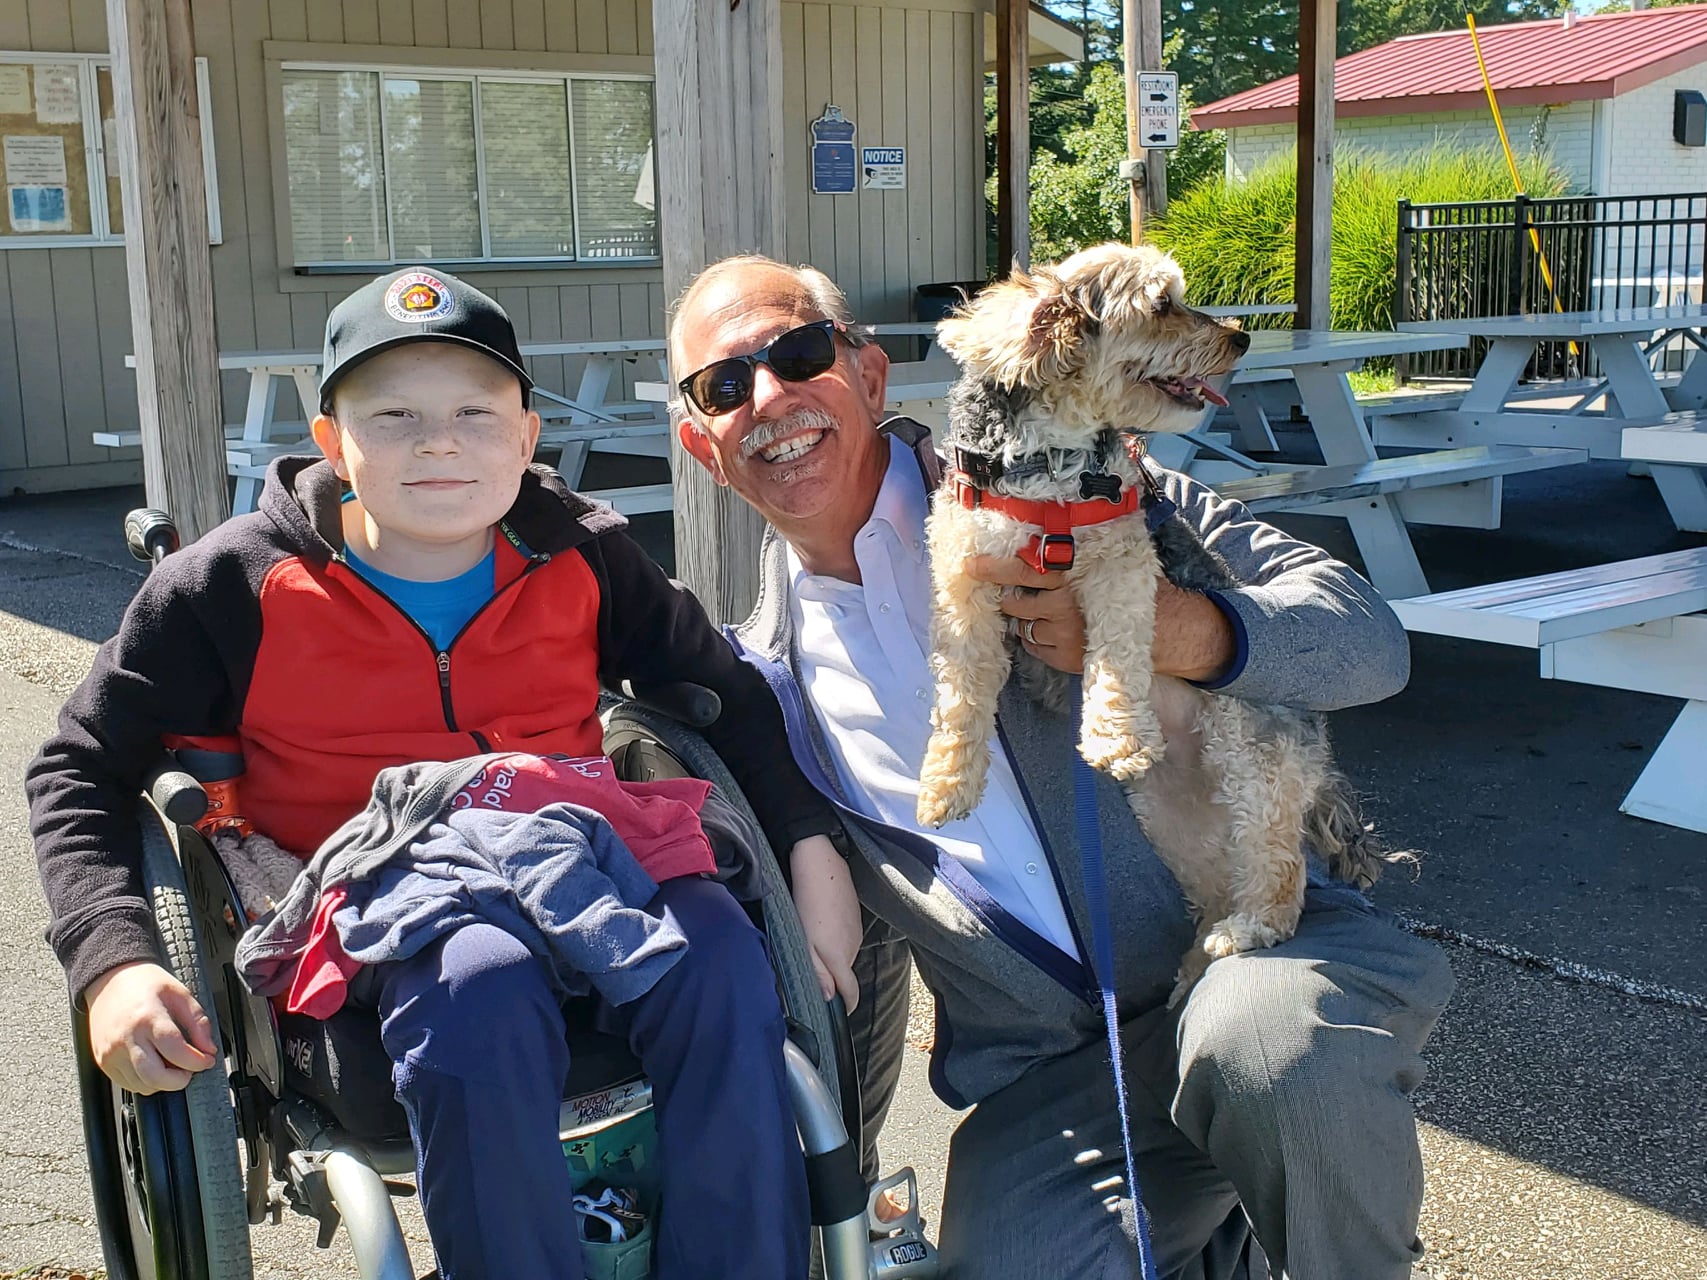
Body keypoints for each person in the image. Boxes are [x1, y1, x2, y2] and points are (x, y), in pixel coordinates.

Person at [26, 267, 864, 1280]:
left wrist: (808, 850)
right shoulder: (229, 585)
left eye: (476, 411)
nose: (438, 440)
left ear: (526, 438)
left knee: (726, 962)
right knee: (482, 983)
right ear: (335, 441)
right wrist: (114, 961)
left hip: (578, 860)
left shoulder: (582, 550)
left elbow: (724, 697)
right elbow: (79, 766)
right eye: (395, 416)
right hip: (379, 909)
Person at [668, 254, 1457, 1280]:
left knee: (1269, 1051)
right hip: (1063, 1088)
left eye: (799, 353)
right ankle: (1223, 1240)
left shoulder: (1081, 483)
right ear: (701, 444)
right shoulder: (761, 684)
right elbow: (848, 955)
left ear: (867, 375)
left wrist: (1184, 630)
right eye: (725, 386)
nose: (769, 397)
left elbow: (1369, 640)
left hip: (1254, 961)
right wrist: (837, 1198)